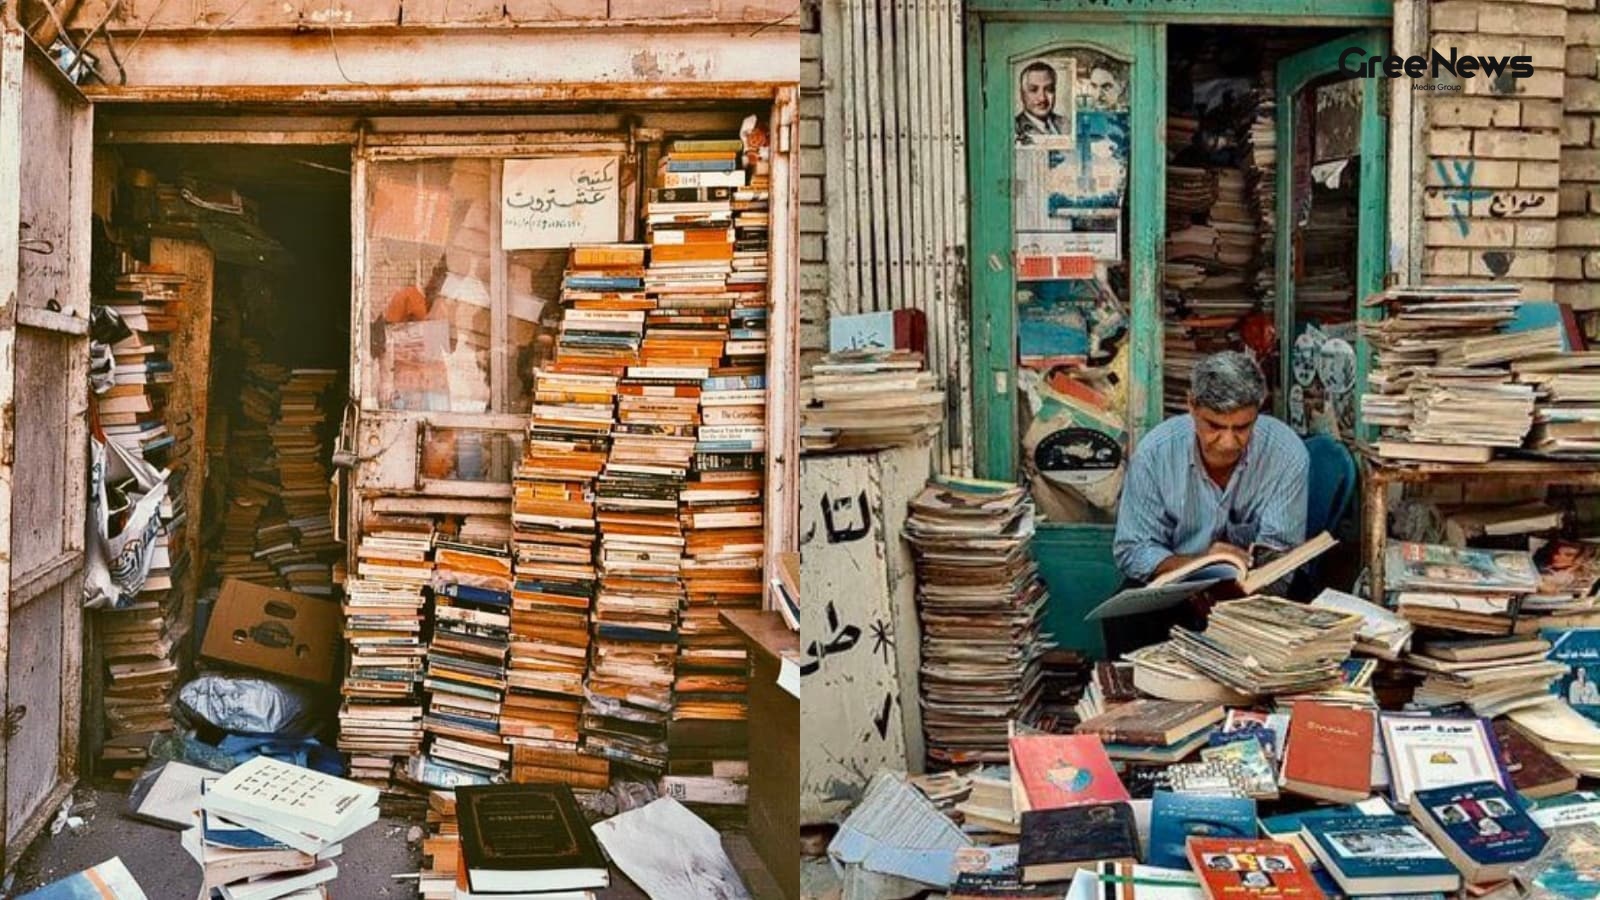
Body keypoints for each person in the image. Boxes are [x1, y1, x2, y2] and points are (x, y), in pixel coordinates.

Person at [1105, 351, 1310, 657]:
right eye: (1214, 426)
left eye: (1242, 428)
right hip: (1177, 584)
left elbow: (1281, 554)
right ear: (1191, 406)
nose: (1228, 442)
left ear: (1258, 411)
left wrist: (1238, 594)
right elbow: (1133, 549)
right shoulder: (1155, 453)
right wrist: (1198, 566)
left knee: (1305, 615)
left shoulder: (1286, 453)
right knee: (1124, 617)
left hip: (1257, 589)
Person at [1015, 61, 1067, 144]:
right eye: (1033, 90)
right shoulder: (1014, 128)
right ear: (1022, 94)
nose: (1042, 98)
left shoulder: (1066, 124)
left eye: (1049, 89)